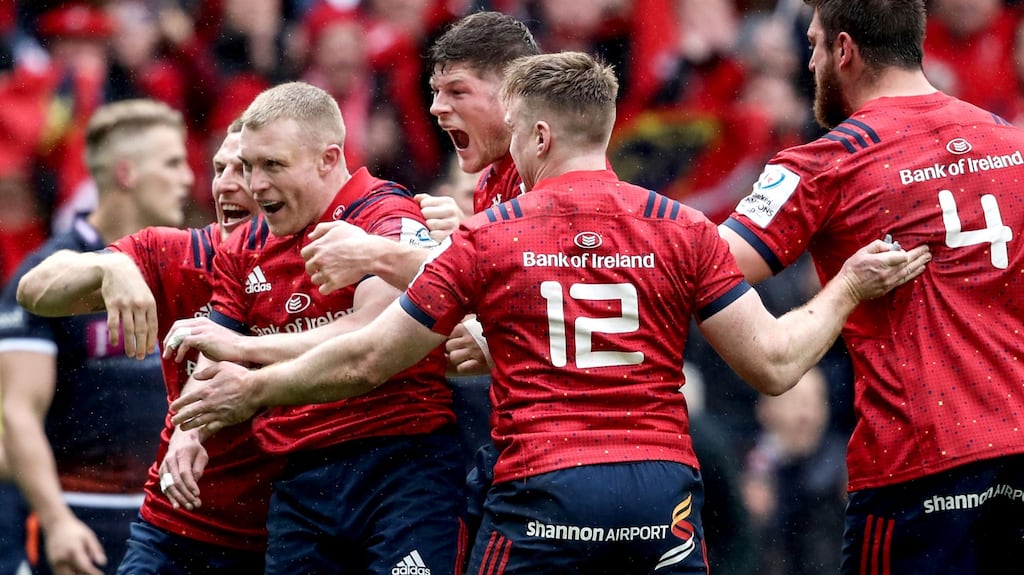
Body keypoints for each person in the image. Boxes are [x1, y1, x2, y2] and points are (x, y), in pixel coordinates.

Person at [167, 52, 929, 574]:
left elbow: (371, 357)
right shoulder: (685, 228)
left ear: (538, 134)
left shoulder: (489, 236)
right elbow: (775, 362)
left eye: (515, 138)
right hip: (659, 497)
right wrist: (848, 286)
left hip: (546, 491)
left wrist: (256, 385)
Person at [717, 1, 1024, 573]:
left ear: (844, 50)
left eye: (814, 44)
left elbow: (705, 267)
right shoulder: (1012, 144)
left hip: (920, 469)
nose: (810, 63)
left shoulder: (826, 164)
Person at [171, 81, 466, 575]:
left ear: (328, 159)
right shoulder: (244, 246)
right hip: (302, 475)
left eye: (273, 165)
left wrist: (245, 348)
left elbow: (371, 331)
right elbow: (214, 347)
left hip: (402, 461)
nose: (255, 184)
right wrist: (187, 432)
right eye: (247, 165)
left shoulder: (386, 215)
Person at [15, 120, 279, 574]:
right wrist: (110, 267)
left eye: (245, 168)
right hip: (157, 518)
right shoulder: (174, 254)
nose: (212, 182)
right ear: (126, 173)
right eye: (219, 168)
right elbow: (31, 290)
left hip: (288, 522)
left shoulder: (326, 258)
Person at [0, 98, 193, 575]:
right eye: (172, 163)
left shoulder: (184, 263)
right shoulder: (46, 277)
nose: (188, 178)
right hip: (81, 520)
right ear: (126, 173)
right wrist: (56, 521)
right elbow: (16, 413)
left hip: (169, 519)